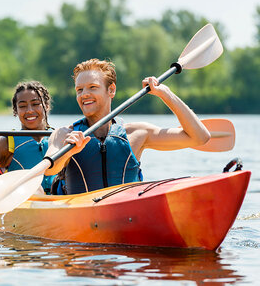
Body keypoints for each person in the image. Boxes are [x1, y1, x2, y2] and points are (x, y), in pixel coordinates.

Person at [45, 58, 210, 194]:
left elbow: (200, 137)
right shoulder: (64, 134)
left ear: (111, 90)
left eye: (92, 87)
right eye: (79, 90)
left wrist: (165, 94)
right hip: (81, 215)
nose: (84, 94)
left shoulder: (137, 133)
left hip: (127, 213)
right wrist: (68, 153)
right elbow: (49, 170)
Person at [0, 80, 55, 194]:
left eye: (35, 104)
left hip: (55, 199)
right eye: (22, 106)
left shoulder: (59, 138)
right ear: (16, 110)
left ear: (47, 106)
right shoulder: (6, 143)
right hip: (20, 201)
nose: (29, 110)